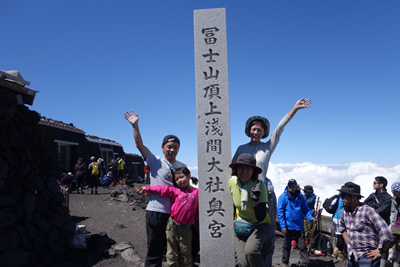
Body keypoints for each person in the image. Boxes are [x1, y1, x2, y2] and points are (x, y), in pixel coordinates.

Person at [232, 98, 312, 267]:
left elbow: (279, 129)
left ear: (264, 132)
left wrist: (294, 109)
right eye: (253, 129)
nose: (256, 132)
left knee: (267, 235)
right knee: (243, 230)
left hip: (264, 192)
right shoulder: (240, 148)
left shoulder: (268, 147)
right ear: (248, 130)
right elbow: (232, 171)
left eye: (259, 130)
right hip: (243, 192)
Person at [124, 110, 186, 267]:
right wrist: (135, 126)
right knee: (154, 249)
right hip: (156, 211)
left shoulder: (182, 167)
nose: (172, 150)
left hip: (176, 214)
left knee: (174, 249)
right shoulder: (155, 160)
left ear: (179, 149)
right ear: (162, 147)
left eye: (175, 147)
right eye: (169, 147)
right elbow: (139, 145)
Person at [138, 167, 199, 267]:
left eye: (181, 177)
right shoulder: (175, 191)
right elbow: (162, 189)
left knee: (186, 252)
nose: (179, 181)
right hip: (172, 226)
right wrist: (147, 188)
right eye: (177, 179)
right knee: (171, 253)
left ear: (189, 176)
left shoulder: (196, 192)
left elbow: (197, 210)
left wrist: (197, 226)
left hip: (187, 228)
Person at [229, 153, 269, 267]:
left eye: (248, 168)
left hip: (259, 224)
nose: (244, 171)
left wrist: (256, 202)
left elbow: (261, 216)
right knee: (243, 262)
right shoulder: (232, 183)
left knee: (251, 252)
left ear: (253, 171)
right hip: (241, 224)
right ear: (236, 169)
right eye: (241, 168)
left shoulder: (260, 186)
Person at [338, 182, 392, 267]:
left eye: (344, 196)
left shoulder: (368, 211)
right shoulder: (345, 212)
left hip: (367, 256)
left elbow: (386, 232)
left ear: (353, 196)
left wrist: (381, 251)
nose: (342, 199)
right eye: (341, 195)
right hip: (352, 255)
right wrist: (348, 244)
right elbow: (342, 228)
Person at [277, 179, 315, 267]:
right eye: (289, 185)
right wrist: (283, 226)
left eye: (293, 185)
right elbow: (280, 212)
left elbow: (305, 210)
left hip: (299, 226)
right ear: (287, 186)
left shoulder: (301, 197)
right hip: (288, 226)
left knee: (302, 246)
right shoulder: (283, 197)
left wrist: (311, 218)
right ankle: (285, 263)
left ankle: (305, 263)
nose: (291, 187)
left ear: (296, 186)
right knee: (287, 245)